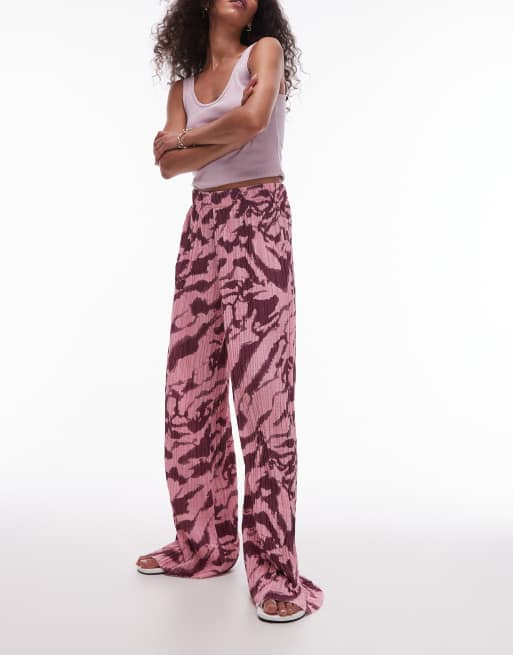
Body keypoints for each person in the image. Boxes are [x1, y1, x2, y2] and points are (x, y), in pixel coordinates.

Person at [136, 0, 324, 623]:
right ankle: (204, 543)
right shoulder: (182, 88)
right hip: (202, 230)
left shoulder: (263, 53)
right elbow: (169, 169)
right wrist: (196, 142)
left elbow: (252, 119)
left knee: (264, 399)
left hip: (259, 222)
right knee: (188, 395)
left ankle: (273, 570)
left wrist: (186, 139)